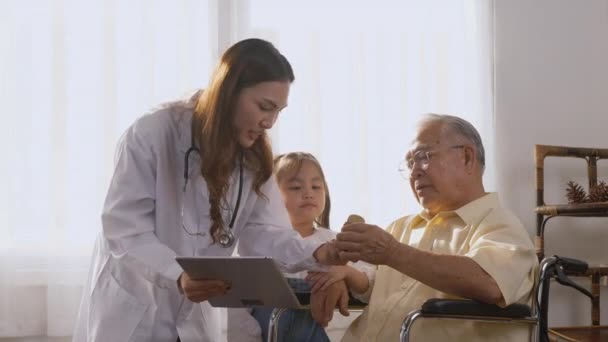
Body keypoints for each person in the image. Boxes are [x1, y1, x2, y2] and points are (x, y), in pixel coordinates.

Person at [72, 38, 347, 342]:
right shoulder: (152, 134)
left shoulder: (254, 158)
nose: (270, 122)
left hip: (192, 315)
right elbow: (123, 229)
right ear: (228, 92)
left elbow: (264, 233)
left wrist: (318, 251)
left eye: (278, 111)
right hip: (137, 310)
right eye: (264, 107)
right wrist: (176, 275)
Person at [335, 114, 538, 341]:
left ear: (467, 157)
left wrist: (392, 252)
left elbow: (489, 283)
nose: (414, 172)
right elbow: (383, 290)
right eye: (410, 163)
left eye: (423, 157)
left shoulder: (500, 224)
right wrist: (342, 276)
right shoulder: (400, 227)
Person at [229, 152, 374, 342]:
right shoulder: (263, 242)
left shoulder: (335, 241)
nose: (308, 193)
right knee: (287, 310)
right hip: (268, 330)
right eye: (296, 187)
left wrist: (344, 271)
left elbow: (368, 281)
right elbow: (241, 312)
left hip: (319, 328)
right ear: (270, 197)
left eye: (316, 186)